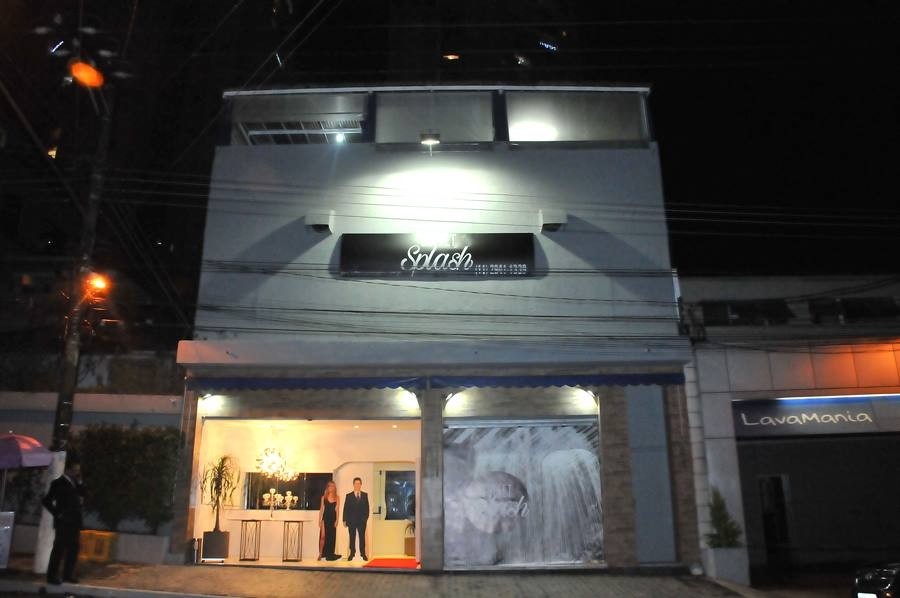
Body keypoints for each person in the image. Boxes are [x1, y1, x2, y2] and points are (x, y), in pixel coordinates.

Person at [41, 459, 85, 585]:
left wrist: (80, 481)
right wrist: (57, 514)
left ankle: (68, 575)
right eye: (75, 470)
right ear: (68, 470)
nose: (77, 472)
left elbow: (83, 493)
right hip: (64, 522)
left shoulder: (75, 483)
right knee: (59, 550)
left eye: (78, 470)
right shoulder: (58, 483)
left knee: (73, 549)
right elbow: (46, 500)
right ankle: (52, 576)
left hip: (75, 522)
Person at [342, 477, 369, 561]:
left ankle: (363, 553)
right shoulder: (348, 496)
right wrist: (344, 520)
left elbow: (367, 508)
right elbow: (345, 508)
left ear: (361, 485)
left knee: (362, 538)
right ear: (353, 484)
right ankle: (352, 553)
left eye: (358, 483)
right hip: (351, 521)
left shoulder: (365, 495)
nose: (357, 485)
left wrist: (365, 519)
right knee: (352, 537)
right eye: (355, 483)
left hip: (362, 521)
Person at [318, 480, 341, 561]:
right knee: (323, 537)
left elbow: (337, 510)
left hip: (333, 519)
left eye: (333, 486)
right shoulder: (323, 497)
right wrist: (319, 520)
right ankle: (321, 554)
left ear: (334, 487)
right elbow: (321, 509)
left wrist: (337, 520)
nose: (331, 487)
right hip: (325, 519)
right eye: (330, 486)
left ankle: (330, 554)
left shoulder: (337, 497)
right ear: (328, 487)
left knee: (331, 537)